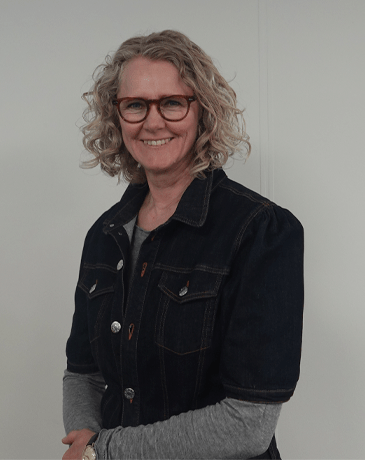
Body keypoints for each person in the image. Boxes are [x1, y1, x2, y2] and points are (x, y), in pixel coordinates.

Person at [62, 30, 304, 460]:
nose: (153, 122)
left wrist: (105, 451)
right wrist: (85, 441)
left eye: (172, 103)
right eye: (135, 105)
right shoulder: (105, 235)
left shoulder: (261, 232)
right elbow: (84, 374)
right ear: (116, 115)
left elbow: (248, 424)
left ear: (202, 111)